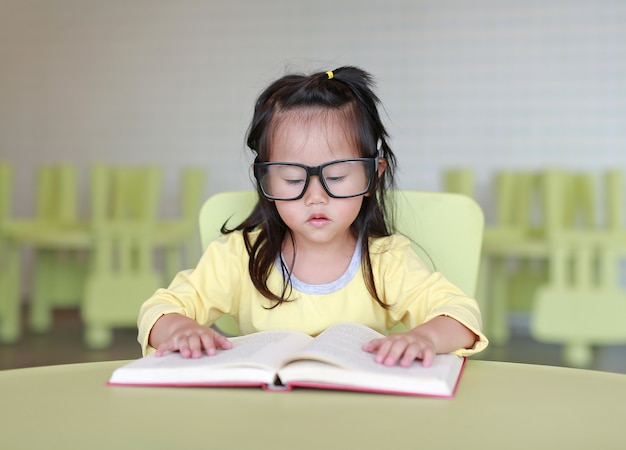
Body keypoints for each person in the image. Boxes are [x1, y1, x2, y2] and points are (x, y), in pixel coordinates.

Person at [138, 66, 488, 367]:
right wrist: (179, 328)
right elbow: (159, 309)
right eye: (292, 179)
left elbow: (460, 315)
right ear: (264, 179)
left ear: (371, 176)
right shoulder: (237, 257)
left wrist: (425, 338)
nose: (315, 197)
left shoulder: (387, 261)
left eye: (336, 178)